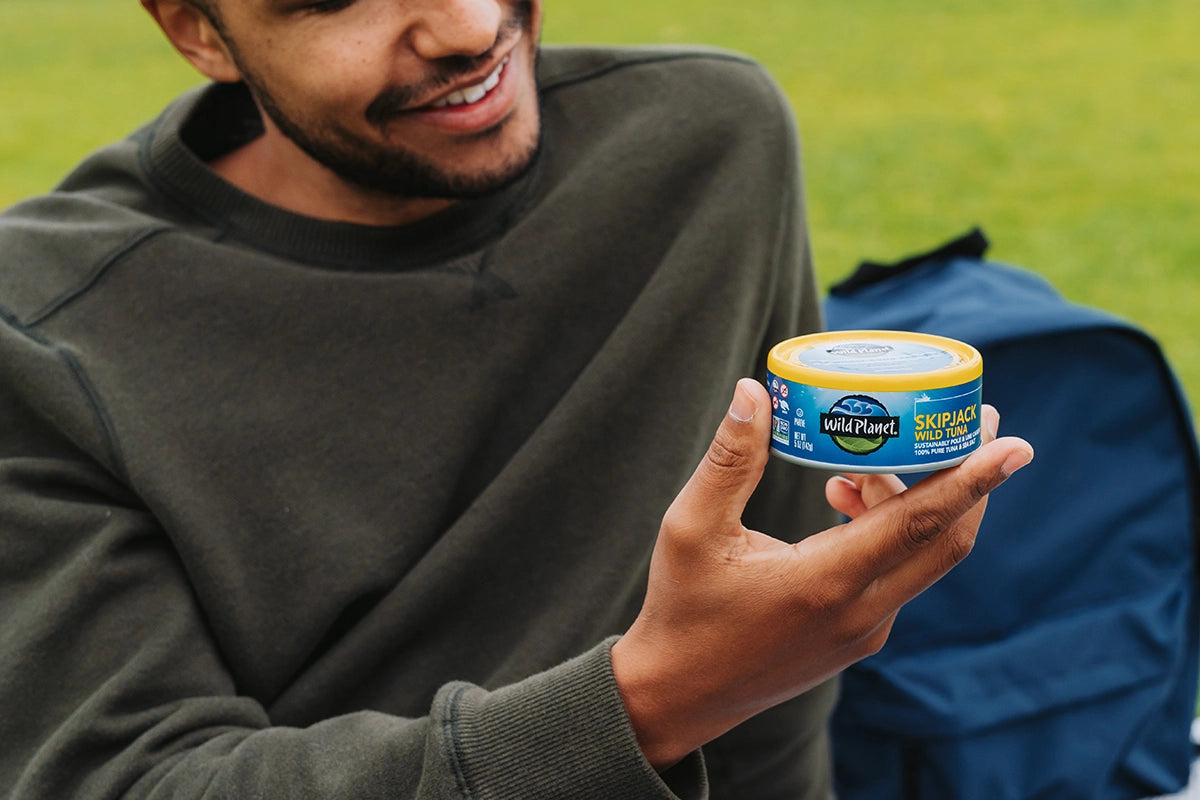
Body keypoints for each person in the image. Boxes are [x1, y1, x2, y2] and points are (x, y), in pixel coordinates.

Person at [0, 0, 1034, 797]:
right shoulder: (42, 328)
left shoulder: (708, 143)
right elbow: (132, 778)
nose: (467, 25)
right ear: (196, 29)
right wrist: (649, 697)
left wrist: (785, 631)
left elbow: (772, 712)